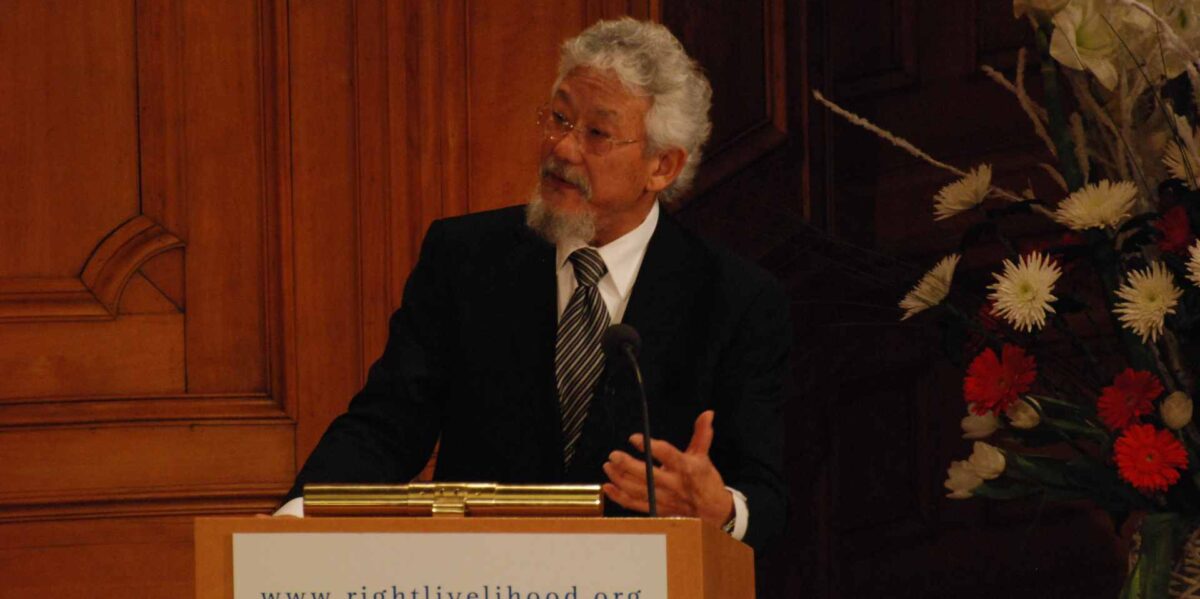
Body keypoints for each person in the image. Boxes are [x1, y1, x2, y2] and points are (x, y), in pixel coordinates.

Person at [278, 17, 789, 551]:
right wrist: (296, 519)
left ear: (662, 166)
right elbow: (386, 425)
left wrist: (721, 509)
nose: (562, 149)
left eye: (596, 132)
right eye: (559, 118)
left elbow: (766, 498)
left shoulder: (736, 298)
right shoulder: (465, 258)